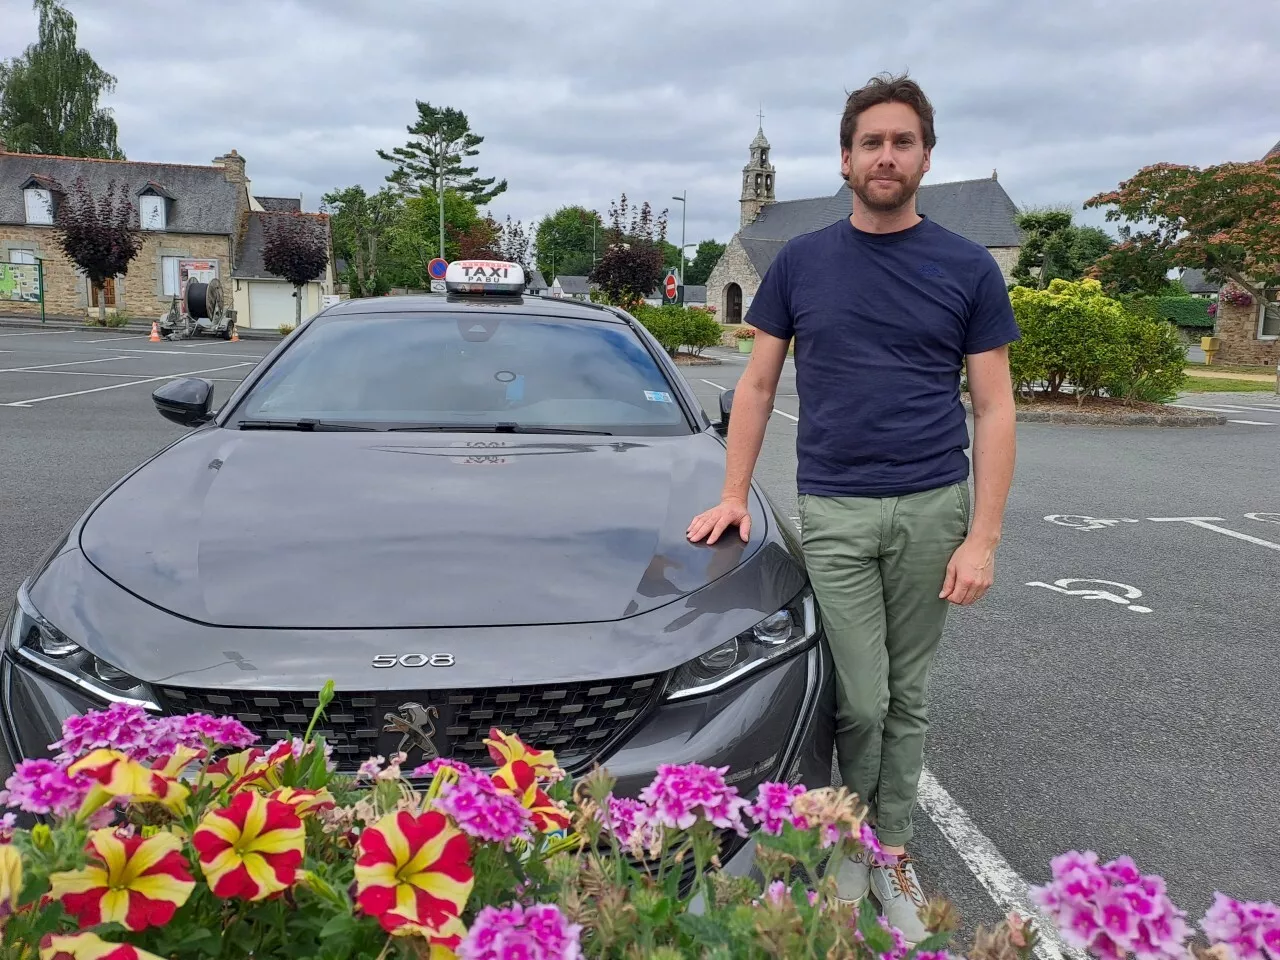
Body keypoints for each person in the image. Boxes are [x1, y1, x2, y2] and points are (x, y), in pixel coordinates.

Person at [687, 72, 1018, 943]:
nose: (886, 155)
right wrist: (732, 493)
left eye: (902, 141)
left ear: (924, 156)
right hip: (834, 506)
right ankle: (845, 835)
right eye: (871, 142)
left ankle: (889, 847)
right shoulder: (799, 261)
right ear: (845, 158)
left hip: (934, 508)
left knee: (908, 695)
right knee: (860, 699)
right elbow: (756, 385)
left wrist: (982, 536)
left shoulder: (967, 265)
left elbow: (995, 407)